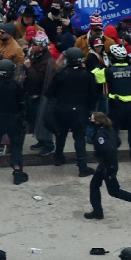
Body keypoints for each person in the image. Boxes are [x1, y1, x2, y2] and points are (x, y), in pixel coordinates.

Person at [83, 112, 131, 220]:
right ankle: (97, 211)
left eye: (92, 119)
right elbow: (117, 142)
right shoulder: (109, 129)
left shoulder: (100, 135)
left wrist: (106, 164)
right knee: (94, 185)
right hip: (106, 164)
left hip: (108, 166)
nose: (90, 120)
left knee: (114, 191)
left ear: (97, 122)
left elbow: (109, 150)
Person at [92, 44, 131, 166]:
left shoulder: (109, 71)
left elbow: (95, 75)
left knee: (111, 131)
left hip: (116, 106)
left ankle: (112, 155)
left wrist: (101, 66)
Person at [46, 47, 98, 176]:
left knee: (60, 135)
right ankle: (82, 167)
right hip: (80, 111)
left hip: (62, 110)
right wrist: (89, 109)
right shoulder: (88, 75)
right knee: (79, 138)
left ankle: (58, 158)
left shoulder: (60, 74)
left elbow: (50, 93)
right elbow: (94, 96)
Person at [0, 59, 28, 184]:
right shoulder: (16, 86)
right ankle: (18, 171)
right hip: (14, 118)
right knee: (16, 145)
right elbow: (21, 102)